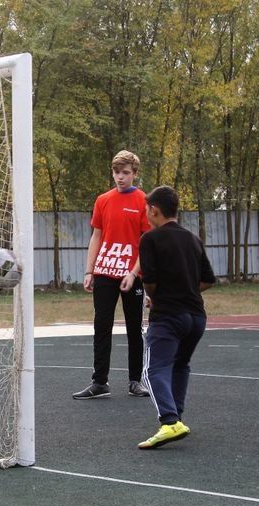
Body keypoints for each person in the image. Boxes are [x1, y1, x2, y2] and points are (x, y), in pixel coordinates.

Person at [137, 186, 216, 449]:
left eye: (148, 209)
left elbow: (150, 282)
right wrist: (187, 289)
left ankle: (169, 421)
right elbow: (208, 280)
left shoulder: (150, 239)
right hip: (196, 317)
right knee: (180, 364)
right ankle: (177, 417)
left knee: (153, 369)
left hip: (168, 316)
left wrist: (155, 298)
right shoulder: (193, 239)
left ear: (155, 210)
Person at [73, 150, 151, 399]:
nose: (120, 177)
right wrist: (89, 270)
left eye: (125, 173)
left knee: (133, 327)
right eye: (116, 172)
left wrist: (134, 271)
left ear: (135, 174)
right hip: (105, 271)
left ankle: (135, 381)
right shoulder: (103, 200)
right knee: (101, 325)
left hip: (132, 275)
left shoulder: (143, 201)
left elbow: (146, 241)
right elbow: (96, 235)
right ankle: (99, 382)